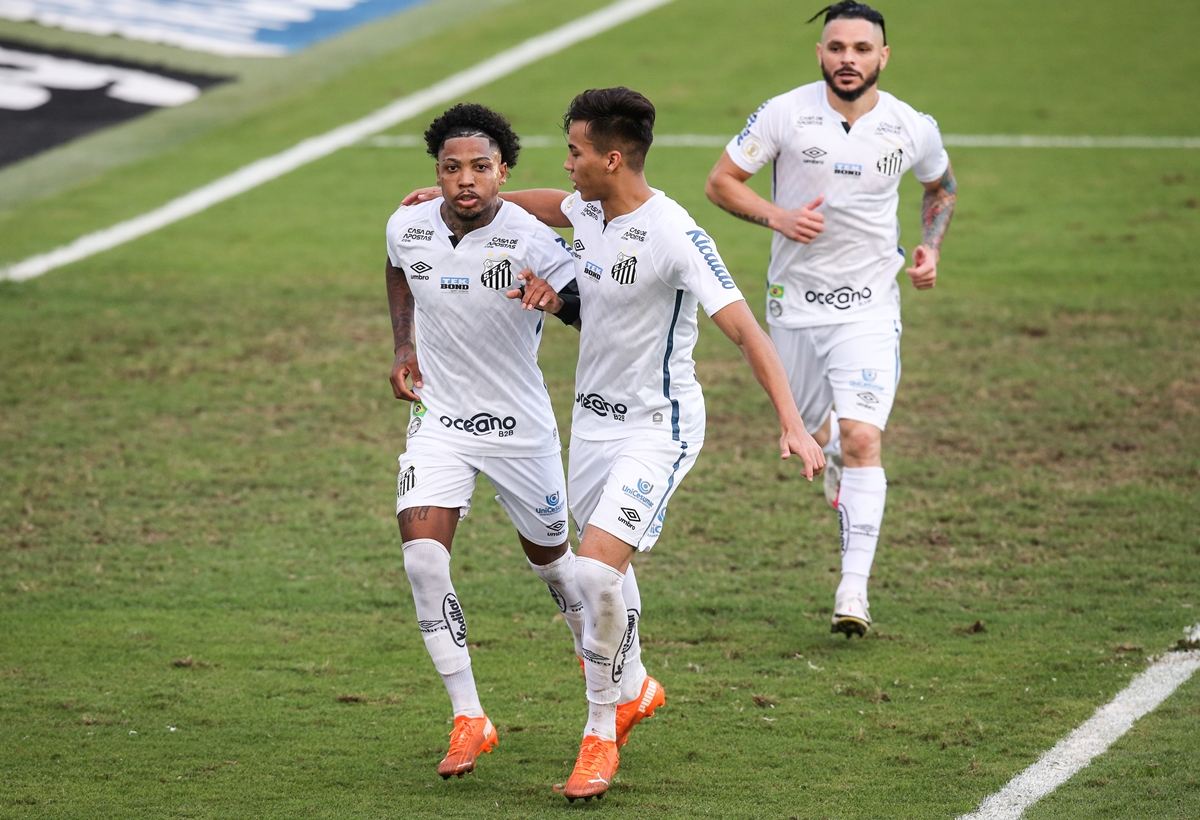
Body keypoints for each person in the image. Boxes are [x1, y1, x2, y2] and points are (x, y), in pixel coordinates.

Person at [465, 87, 826, 801]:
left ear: (612, 156)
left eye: (574, 152)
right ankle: (631, 685)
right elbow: (543, 202)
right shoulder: (589, 210)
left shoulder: (675, 235)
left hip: (658, 428)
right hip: (592, 426)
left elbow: (748, 330)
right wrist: (462, 202)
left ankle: (601, 733)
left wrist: (791, 421)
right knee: (589, 577)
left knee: (595, 574)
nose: (565, 164)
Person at [705, 1, 957, 638]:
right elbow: (721, 182)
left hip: (869, 306)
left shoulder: (910, 126)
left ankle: (853, 590)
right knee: (822, 440)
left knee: (864, 438)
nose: (849, 59)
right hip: (794, 307)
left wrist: (930, 247)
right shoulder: (784, 113)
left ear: (882, 57)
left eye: (861, 49)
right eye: (836, 47)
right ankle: (840, 463)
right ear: (821, 54)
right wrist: (777, 216)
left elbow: (941, 186)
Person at [384, 102, 586, 780]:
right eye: (451, 168)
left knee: (556, 567)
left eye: (479, 167)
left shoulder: (534, 239)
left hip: (520, 429)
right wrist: (404, 345)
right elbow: (397, 267)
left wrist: (554, 300)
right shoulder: (407, 224)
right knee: (421, 561)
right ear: (437, 174)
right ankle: (469, 715)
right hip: (440, 419)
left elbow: (589, 313)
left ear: (504, 172)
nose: (464, 180)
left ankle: (609, 677)